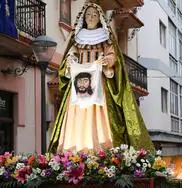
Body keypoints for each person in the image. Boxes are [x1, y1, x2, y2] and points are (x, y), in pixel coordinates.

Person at [48, 1, 155, 153]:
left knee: (99, 114)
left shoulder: (105, 36)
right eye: (88, 15)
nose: (91, 17)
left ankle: (100, 147)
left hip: (98, 82)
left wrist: (107, 61)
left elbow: (113, 56)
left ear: (100, 18)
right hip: (79, 84)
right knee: (76, 115)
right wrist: (71, 59)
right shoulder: (77, 37)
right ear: (84, 18)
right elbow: (71, 52)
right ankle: (75, 149)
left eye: (94, 15)